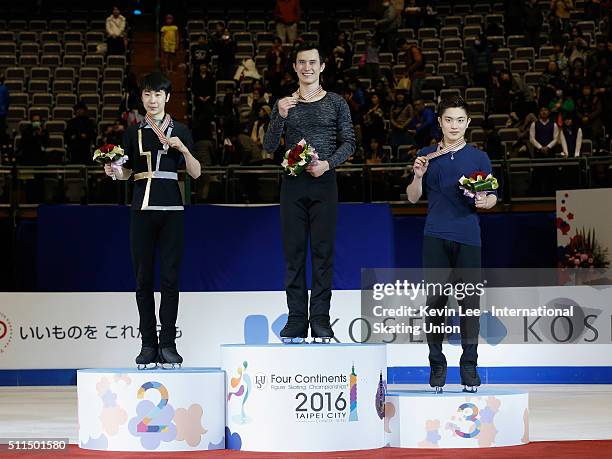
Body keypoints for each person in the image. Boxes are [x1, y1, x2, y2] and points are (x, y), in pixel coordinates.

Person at [102, 72, 201, 368]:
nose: (153, 100)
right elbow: (128, 172)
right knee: (143, 280)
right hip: (141, 209)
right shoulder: (133, 131)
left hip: (172, 210)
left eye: (158, 94)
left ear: (168, 98)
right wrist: (115, 172)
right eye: (147, 94)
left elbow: (195, 172)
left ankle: (168, 344)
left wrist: (182, 148)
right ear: (142, 98)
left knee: (170, 280)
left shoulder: (180, 129)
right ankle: (148, 344)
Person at [263, 43, 356, 343]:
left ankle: (320, 320)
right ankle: (295, 319)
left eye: (312, 62)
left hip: (324, 183)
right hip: (292, 185)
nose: (307, 67)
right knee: (293, 255)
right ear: (294, 67)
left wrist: (328, 164)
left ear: (322, 66)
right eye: (301, 62)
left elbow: (350, 143)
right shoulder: (285, 103)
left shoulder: (337, 103)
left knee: (322, 254)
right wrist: (278, 115)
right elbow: (268, 146)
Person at [407, 95, 497, 393]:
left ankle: (469, 366)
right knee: (435, 305)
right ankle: (437, 364)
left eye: (460, 120)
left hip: (469, 239)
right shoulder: (426, 155)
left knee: (470, 306)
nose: (454, 125)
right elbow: (412, 197)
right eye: (449, 120)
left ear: (468, 123)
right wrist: (417, 176)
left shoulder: (479, 158)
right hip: (435, 237)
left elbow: (493, 194)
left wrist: (486, 201)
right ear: (440, 123)